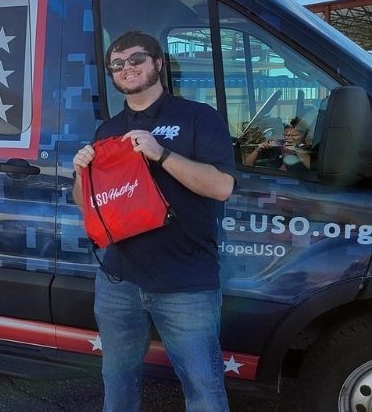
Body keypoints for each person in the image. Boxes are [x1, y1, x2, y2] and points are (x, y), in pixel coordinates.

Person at [72, 31, 235, 412]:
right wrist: (81, 173)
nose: (127, 68)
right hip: (119, 281)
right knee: (118, 388)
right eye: (118, 64)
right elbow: (89, 204)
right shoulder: (107, 131)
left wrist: (161, 154)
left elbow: (222, 187)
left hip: (185, 283)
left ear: (158, 63)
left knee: (204, 390)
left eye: (136, 59)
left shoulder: (198, 118)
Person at [244, 117, 312, 171]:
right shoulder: (278, 143)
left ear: (304, 135)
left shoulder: (309, 149)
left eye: (294, 135)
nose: (289, 138)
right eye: (286, 135)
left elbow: (312, 168)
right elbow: (247, 164)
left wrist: (296, 150)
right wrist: (257, 150)